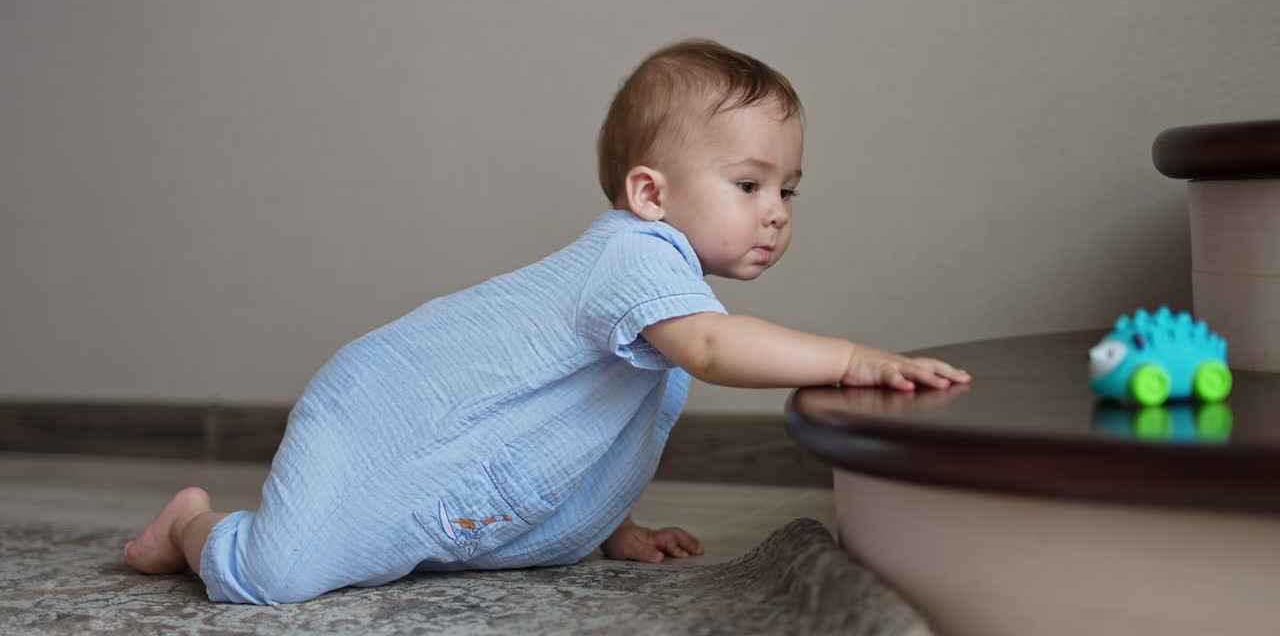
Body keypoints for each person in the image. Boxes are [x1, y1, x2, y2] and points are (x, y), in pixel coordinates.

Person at [124, 38, 970, 605]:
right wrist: (851, 359)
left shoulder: (666, 290)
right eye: (749, 185)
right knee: (275, 574)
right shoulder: (635, 256)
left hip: (452, 462)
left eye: (787, 190)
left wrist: (610, 527)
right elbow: (716, 350)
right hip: (379, 415)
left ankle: (534, 537)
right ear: (650, 194)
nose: (776, 211)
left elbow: (574, 429)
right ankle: (192, 525)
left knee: (401, 550)